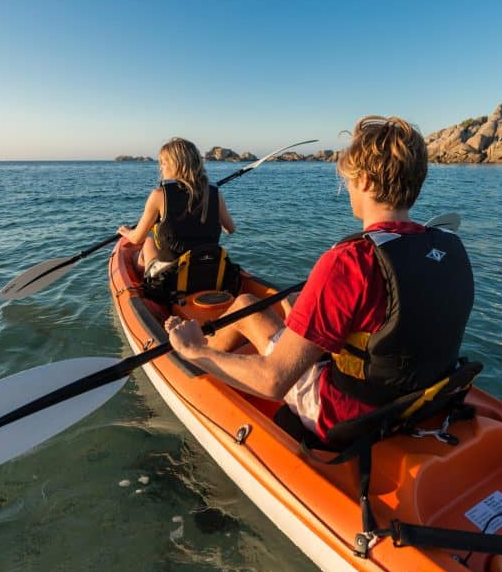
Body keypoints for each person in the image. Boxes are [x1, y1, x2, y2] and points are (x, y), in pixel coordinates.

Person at [165, 115, 474, 443]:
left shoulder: (351, 261)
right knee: (274, 306)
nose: (349, 188)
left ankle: (194, 364)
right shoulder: (448, 245)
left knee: (245, 306)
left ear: (366, 181)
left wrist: (196, 349)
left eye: (351, 180)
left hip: (342, 413)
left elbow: (274, 382)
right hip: (412, 400)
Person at [117, 137, 236, 271]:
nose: (160, 167)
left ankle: (141, 285)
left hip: (172, 277)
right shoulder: (215, 194)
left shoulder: (159, 195)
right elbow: (230, 229)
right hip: (207, 269)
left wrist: (126, 232)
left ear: (176, 164)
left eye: (163, 163)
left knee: (148, 242)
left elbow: (137, 239)